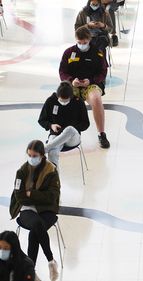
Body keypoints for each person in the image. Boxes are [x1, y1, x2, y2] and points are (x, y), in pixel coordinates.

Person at [9, 140, 61, 281]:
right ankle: (51, 261)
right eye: (29, 155)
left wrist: (31, 194)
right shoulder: (22, 171)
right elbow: (19, 196)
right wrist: (35, 198)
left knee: (34, 233)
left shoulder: (51, 171)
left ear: (42, 155)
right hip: (27, 210)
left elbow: (52, 197)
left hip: (47, 210)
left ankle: (30, 273)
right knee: (37, 226)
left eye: (35, 155)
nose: (32, 158)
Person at [59, 26, 110, 149]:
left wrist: (91, 81)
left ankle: (101, 134)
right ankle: (61, 134)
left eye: (85, 43)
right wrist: (71, 80)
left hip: (91, 84)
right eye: (79, 43)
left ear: (90, 39)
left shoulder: (98, 53)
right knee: (64, 98)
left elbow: (102, 72)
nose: (82, 45)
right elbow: (62, 72)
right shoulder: (68, 52)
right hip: (73, 84)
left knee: (96, 99)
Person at [38, 81, 90, 167]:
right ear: (57, 96)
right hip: (56, 135)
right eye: (61, 99)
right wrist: (51, 125)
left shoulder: (78, 102)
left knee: (69, 129)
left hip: (72, 138)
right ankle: (54, 179)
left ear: (71, 96)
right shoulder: (51, 101)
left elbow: (85, 123)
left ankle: (44, 149)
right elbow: (41, 120)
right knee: (52, 153)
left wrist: (72, 128)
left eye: (66, 100)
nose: (64, 102)